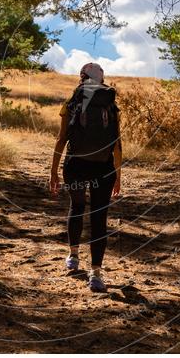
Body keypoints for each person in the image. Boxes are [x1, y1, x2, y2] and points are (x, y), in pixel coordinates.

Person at [49, 63, 122, 292]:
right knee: (99, 218)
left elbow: (62, 138)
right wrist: (117, 175)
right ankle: (96, 274)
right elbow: (117, 145)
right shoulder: (111, 105)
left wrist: (53, 170)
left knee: (77, 206)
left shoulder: (71, 103)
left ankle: (73, 256)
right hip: (104, 168)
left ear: (81, 78)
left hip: (76, 165)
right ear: (101, 80)